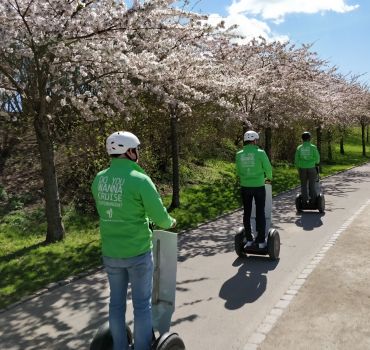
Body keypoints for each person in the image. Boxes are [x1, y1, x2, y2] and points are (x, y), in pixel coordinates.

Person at [91, 131, 176, 350]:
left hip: (111, 252)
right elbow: (159, 216)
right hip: (137, 252)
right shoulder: (140, 180)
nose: (137, 153)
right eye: (136, 149)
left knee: (116, 305)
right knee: (141, 306)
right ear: (128, 151)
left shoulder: (99, 179)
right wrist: (170, 223)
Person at [236, 130, 273, 249]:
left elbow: (238, 171)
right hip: (258, 186)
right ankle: (261, 241)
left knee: (247, 213)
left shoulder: (239, 154)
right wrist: (269, 178)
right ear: (254, 140)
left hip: (245, 186)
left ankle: (249, 240)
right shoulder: (260, 153)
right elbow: (268, 168)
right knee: (260, 212)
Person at [294, 131, 320, 204]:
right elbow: (317, 159)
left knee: (303, 185)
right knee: (312, 185)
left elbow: (296, 159)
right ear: (310, 138)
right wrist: (316, 163)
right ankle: (313, 201)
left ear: (302, 139)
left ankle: (304, 201)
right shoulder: (313, 147)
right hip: (312, 168)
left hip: (302, 168)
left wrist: (298, 167)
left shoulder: (299, 147)